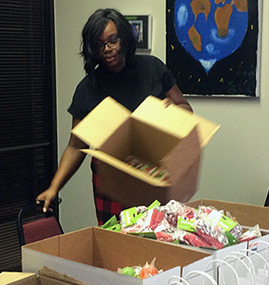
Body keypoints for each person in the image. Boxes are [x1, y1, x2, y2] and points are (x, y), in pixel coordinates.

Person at [36, 8, 191, 225]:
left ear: (125, 39)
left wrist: (171, 111)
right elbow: (76, 145)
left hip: (152, 177)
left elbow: (185, 109)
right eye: (100, 45)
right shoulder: (88, 88)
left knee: (159, 242)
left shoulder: (152, 69)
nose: (108, 49)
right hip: (110, 186)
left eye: (113, 40)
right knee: (117, 249)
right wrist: (54, 187)